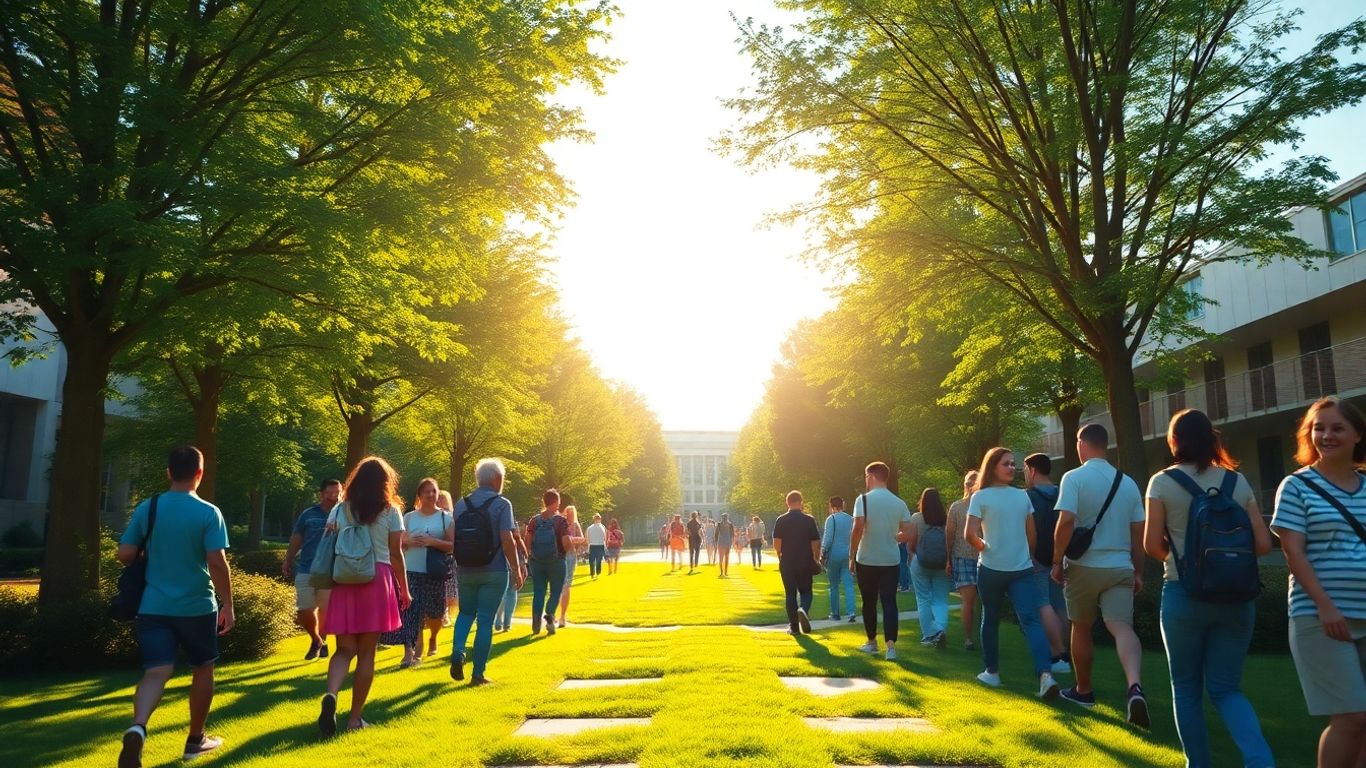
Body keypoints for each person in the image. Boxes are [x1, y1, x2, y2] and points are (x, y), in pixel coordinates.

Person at [1145, 409, 1274, 768]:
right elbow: (1263, 545)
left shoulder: (1162, 482)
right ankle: (1260, 761)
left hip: (1183, 595)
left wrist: (1178, 556)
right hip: (1237, 599)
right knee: (1227, 689)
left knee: (1186, 688)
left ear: (1174, 441)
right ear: (1212, 438)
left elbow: (1151, 544)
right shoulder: (1238, 482)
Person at [116, 445, 233, 768]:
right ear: (200, 473)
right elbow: (217, 563)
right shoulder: (209, 513)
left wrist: (145, 553)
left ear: (168, 472)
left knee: (156, 671)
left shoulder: (148, 507)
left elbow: (124, 554)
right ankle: (196, 740)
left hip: (153, 606)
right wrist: (229, 606)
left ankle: (138, 726)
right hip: (197, 606)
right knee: (203, 668)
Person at [1272, 396, 1366, 768]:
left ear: (1357, 434)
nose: (1326, 435)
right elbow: (1294, 553)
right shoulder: (1296, 487)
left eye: (1337, 428)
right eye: (1318, 428)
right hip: (1320, 616)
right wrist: (1327, 607)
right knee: (1351, 716)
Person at [1051, 424, 1148, 725]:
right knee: (1121, 627)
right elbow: (1138, 530)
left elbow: (1066, 521)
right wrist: (1138, 570)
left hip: (1084, 566)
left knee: (1080, 627)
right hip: (1120, 566)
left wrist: (1056, 561)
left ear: (1082, 443)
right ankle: (1134, 686)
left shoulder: (1074, 478)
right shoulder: (1128, 483)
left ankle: (1084, 690)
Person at [317, 455, 409, 736]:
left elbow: (329, 541)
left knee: (344, 650)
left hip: (345, 579)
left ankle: (331, 694)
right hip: (376, 580)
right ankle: (354, 719)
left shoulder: (340, 509)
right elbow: (396, 554)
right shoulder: (391, 511)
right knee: (367, 654)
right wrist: (404, 589)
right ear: (385, 483)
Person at [967, 447, 1059, 698]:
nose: (1012, 468)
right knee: (1030, 620)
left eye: (1013, 464)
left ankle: (994, 674)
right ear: (993, 466)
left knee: (991, 618)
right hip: (1020, 569)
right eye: (1006, 464)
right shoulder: (1020, 497)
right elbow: (1032, 535)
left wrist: (985, 548)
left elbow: (970, 534)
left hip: (993, 569)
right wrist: (1024, 555)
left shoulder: (983, 497)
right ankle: (1044, 675)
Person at [449, 458, 525, 686]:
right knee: (485, 621)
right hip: (494, 570)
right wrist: (516, 567)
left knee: (465, 614)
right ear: (497, 479)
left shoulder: (461, 504)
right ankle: (478, 674)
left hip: (465, 568)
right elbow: (506, 538)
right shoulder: (503, 504)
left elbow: (454, 538)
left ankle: (458, 651)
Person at [850, 461, 913, 660]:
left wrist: (851, 555)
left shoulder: (863, 500)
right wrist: (900, 536)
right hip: (890, 559)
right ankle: (891, 647)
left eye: (866, 476)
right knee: (889, 602)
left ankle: (871, 642)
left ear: (871, 476)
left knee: (869, 602)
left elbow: (858, 528)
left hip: (867, 558)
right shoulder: (899, 502)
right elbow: (909, 531)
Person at [390, 477, 453, 667]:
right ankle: (412, 652)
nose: (431, 495)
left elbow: (452, 546)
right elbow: (398, 543)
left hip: (435, 572)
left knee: (435, 613)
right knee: (411, 612)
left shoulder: (445, 518)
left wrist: (432, 542)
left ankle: (433, 636)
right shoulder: (409, 517)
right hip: (412, 570)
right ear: (419, 495)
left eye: (434, 491)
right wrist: (408, 541)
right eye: (426, 491)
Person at [1023, 453, 1072, 673]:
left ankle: (1057, 654)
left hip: (1039, 558)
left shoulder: (1028, 497)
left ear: (1032, 470)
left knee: (1043, 604)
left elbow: (1026, 530)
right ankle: (1068, 653)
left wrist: (1029, 555)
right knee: (1061, 605)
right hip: (1062, 558)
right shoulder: (1064, 492)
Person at [283, 479, 339, 661]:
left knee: (325, 609)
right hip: (306, 567)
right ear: (321, 494)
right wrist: (288, 560)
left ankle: (322, 640)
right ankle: (316, 640)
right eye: (330, 493)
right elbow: (296, 537)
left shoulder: (344, 515)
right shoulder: (308, 514)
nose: (334, 496)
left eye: (337, 493)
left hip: (331, 569)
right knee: (304, 610)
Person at [524, 490, 573, 636]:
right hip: (556, 561)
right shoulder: (560, 521)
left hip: (537, 562)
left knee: (539, 591)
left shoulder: (534, 520)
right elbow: (566, 543)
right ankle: (550, 615)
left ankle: (535, 622)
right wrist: (570, 547)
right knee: (555, 591)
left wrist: (531, 555)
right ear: (556, 502)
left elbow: (527, 540)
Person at [774, 491, 822, 636]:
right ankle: (804, 610)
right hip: (805, 560)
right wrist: (816, 558)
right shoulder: (809, 520)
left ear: (787, 502)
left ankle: (794, 627)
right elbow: (816, 542)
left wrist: (780, 554)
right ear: (801, 502)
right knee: (806, 591)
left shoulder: (781, 520)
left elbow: (777, 543)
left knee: (790, 594)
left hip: (788, 561)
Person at [909, 488, 951, 648]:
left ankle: (929, 634)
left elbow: (911, 544)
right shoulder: (946, 520)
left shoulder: (917, 518)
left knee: (923, 599)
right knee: (940, 599)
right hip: (942, 564)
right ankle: (940, 630)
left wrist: (914, 555)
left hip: (921, 563)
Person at [946, 470, 980, 651]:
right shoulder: (956, 507)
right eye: (968, 483)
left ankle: (976, 637)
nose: (970, 486)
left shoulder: (984, 504)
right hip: (964, 557)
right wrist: (948, 559)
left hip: (983, 557)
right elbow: (949, 535)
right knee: (970, 601)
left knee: (976, 602)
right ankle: (969, 638)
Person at [821, 496, 856, 621]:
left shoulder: (831, 519)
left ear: (831, 506)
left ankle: (835, 613)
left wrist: (823, 553)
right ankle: (851, 612)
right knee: (848, 584)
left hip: (834, 554)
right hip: (847, 553)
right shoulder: (851, 519)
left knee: (833, 585)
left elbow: (828, 538)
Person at [557, 505, 586, 627]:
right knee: (559, 585)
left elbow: (582, 539)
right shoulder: (560, 523)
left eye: (570, 513)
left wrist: (570, 540)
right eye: (567, 513)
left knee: (566, 584)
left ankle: (562, 616)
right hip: (559, 555)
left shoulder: (575, 525)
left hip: (570, 555)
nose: (568, 515)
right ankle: (556, 614)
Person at [437, 490, 459, 626]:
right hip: (450, 556)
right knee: (449, 587)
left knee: (442, 586)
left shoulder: (436, 516)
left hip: (438, 555)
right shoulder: (451, 516)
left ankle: (442, 614)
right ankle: (446, 614)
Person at [586, 513, 607, 579]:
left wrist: (588, 546)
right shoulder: (603, 527)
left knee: (592, 560)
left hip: (593, 545)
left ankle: (593, 573)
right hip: (599, 545)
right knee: (598, 560)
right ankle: (597, 572)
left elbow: (588, 538)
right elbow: (605, 537)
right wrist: (605, 546)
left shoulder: (590, 527)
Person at [715, 513, 735, 578]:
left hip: (721, 542)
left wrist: (715, 542)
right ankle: (725, 572)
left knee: (721, 558)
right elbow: (732, 534)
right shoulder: (730, 524)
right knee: (726, 557)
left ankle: (722, 572)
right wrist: (732, 542)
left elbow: (716, 533)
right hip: (727, 542)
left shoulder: (719, 524)